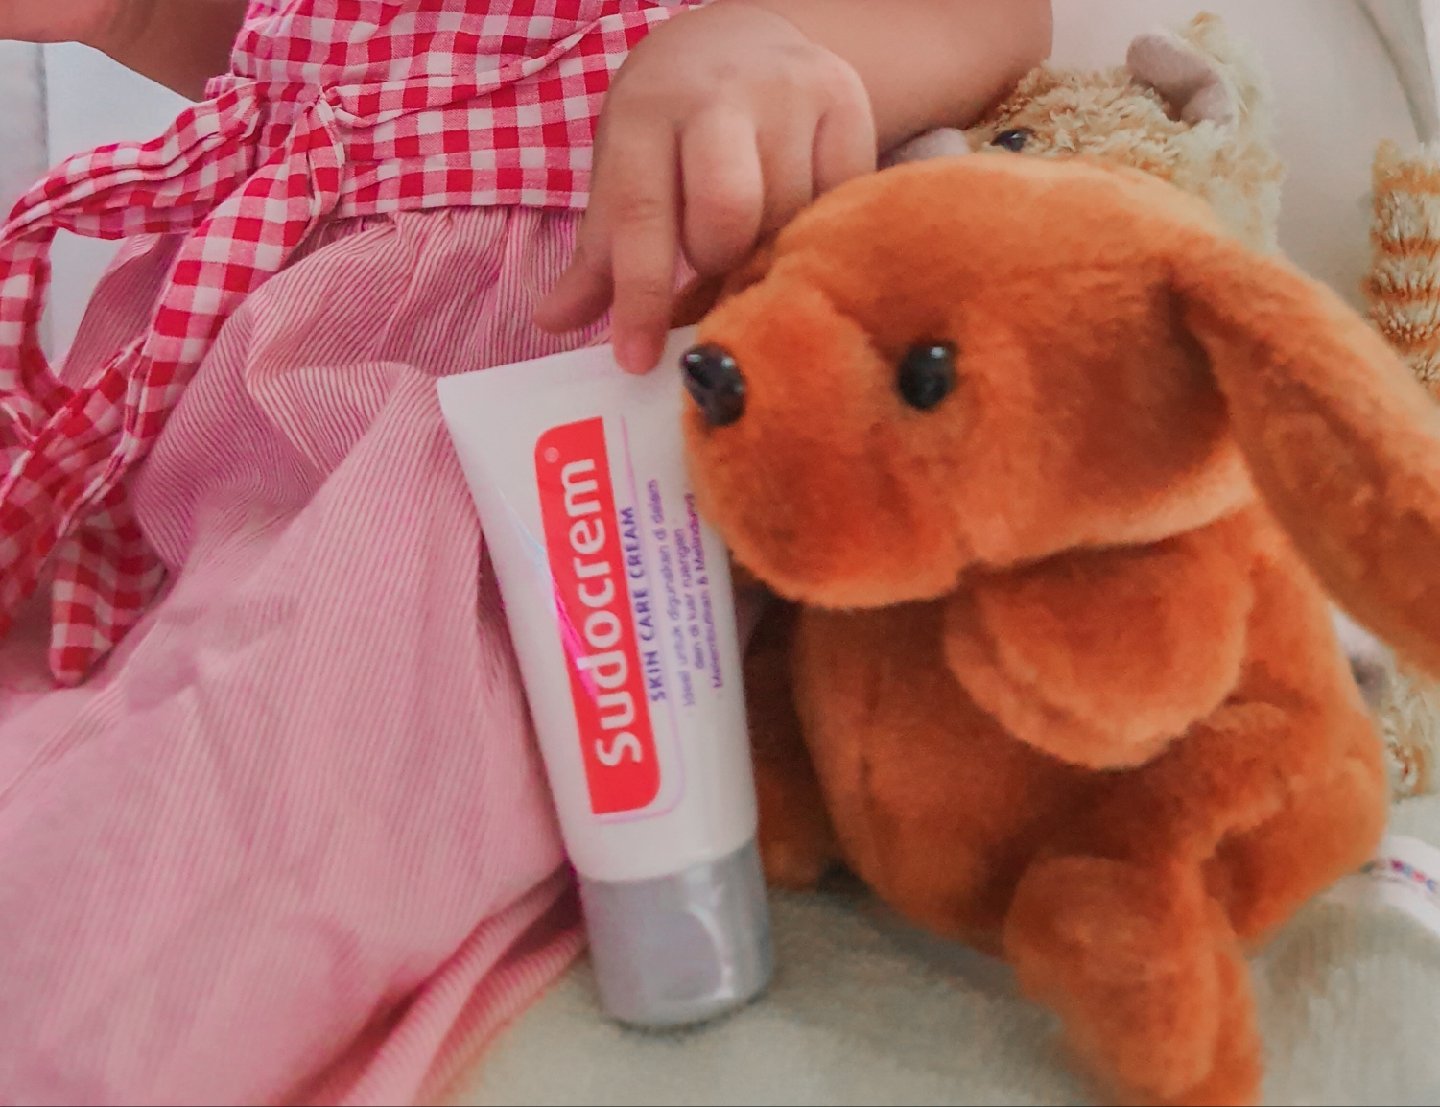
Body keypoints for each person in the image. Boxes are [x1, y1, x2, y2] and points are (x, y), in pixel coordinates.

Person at [0, 1, 1051, 1102]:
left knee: (239, 789)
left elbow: (992, 16)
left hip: (536, 373)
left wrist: (757, 45)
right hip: (214, 376)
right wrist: (133, 19)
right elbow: (306, 45)